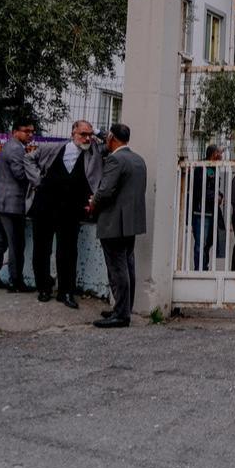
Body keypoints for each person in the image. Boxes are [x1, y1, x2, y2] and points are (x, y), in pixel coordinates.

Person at [26, 121, 104, 309]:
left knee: (68, 251)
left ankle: (66, 292)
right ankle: (44, 288)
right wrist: (38, 181)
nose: (86, 138)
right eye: (83, 134)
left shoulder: (94, 152)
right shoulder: (51, 148)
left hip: (72, 209)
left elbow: (112, 140)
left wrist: (98, 131)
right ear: (73, 133)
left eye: (89, 135)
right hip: (45, 206)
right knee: (42, 248)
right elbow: (28, 159)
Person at [88, 123, 146, 329]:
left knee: (117, 268)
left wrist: (93, 203)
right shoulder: (138, 160)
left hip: (114, 221)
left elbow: (105, 191)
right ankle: (124, 308)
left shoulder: (115, 159)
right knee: (128, 265)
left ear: (111, 137)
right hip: (131, 221)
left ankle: (121, 315)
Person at [0, 117, 36, 293]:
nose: (30, 134)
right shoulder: (16, 149)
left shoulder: (10, 146)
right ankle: (16, 282)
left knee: (1, 242)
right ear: (15, 131)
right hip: (12, 204)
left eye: (32, 131)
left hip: (1, 203)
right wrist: (34, 165)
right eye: (26, 131)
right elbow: (21, 175)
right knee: (16, 244)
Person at [187, 145, 224, 271]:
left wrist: (219, 195)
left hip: (211, 212)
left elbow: (213, 188)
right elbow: (200, 190)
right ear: (214, 154)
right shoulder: (201, 168)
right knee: (201, 244)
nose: (222, 156)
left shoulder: (213, 169)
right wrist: (215, 196)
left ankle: (204, 267)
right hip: (200, 212)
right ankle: (199, 270)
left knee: (208, 243)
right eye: (220, 153)